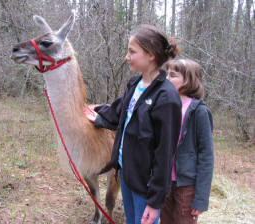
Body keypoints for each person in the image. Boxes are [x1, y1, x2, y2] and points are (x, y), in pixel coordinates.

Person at [84, 24, 182, 224]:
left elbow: (165, 155)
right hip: (125, 173)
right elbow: (118, 111)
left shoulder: (167, 98)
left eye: (132, 52)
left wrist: (155, 203)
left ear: (151, 55)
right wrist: (95, 113)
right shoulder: (135, 84)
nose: (127, 56)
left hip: (145, 183)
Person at [160, 59, 214, 224]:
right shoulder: (165, 106)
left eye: (173, 76)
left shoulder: (200, 111)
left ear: (189, 80)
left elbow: (206, 156)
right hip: (164, 182)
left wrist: (201, 199)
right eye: (167, 74)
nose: (167, 79)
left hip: (187, 186)